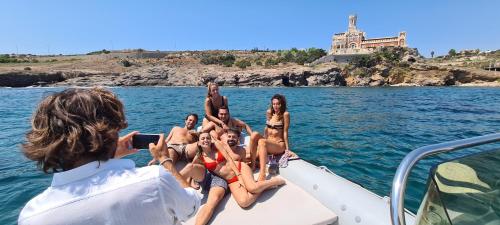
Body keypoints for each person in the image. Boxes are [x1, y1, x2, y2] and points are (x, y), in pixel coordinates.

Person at [18, 88, 200, 225]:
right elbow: (191, 207)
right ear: (112, 131)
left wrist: (111, 154)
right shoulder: (154, 180)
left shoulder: (31, 216)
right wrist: (165, 162)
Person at [181, 132, 285, 211]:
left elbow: (229, 159)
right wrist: (191, 181)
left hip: (239, 168)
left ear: (210, 140)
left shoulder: (216, 146)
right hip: (231, 180)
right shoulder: (199, 157)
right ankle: (263, 187)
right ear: (198, 142)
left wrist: (239, 176)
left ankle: (276, 181)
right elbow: (192, 168)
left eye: (207, 138)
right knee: (244, 202)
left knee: (252, 188)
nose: (205, 140)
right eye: (202, 138)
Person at [251, 94, 293, 181]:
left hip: (279, 145)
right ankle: (253, 165)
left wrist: (287, 149)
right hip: (269, 143)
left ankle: (262, 174)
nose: (275, 106)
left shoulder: (285, 114)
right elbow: (266, 129)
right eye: (274, 104)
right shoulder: (269, 112)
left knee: (262, 142)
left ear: (282, 104)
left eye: (278, 104)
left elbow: (285, 132)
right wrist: (262, 140)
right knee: (254, 134)